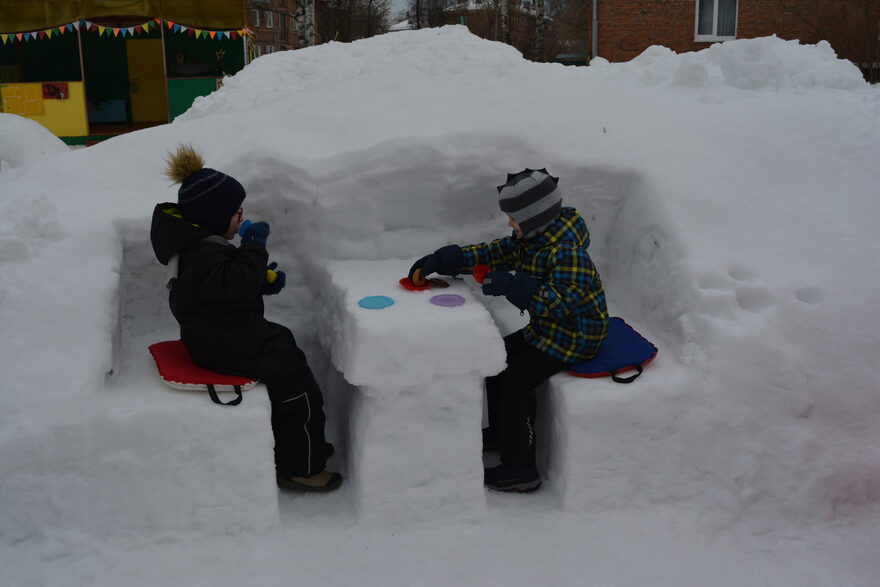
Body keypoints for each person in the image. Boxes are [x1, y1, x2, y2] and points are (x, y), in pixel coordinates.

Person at [150, 145, 342, 492]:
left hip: (217, 334)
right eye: (235, 211)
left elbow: (221, 288)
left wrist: (260, 281)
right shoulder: (203, 253)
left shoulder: (196, 245)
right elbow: (233, 282)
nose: (241, 216)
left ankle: (301, 445)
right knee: (297, 383)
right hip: (224, 343)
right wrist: (253, 248)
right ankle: (303, 466)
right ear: (214, 216)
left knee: (283, 341)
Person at [409, 168, 608, 493]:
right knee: (496, 358)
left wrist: (514, 285)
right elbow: (493, 253)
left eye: (514, 219)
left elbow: (558, 304)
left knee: (516, 380)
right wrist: (447, 259)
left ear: (534, 218)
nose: (509, 224)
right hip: (548, 329)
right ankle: (503, 432)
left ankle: (521, 469)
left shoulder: (568, 253)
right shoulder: (532, 239)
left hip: (576, 336)